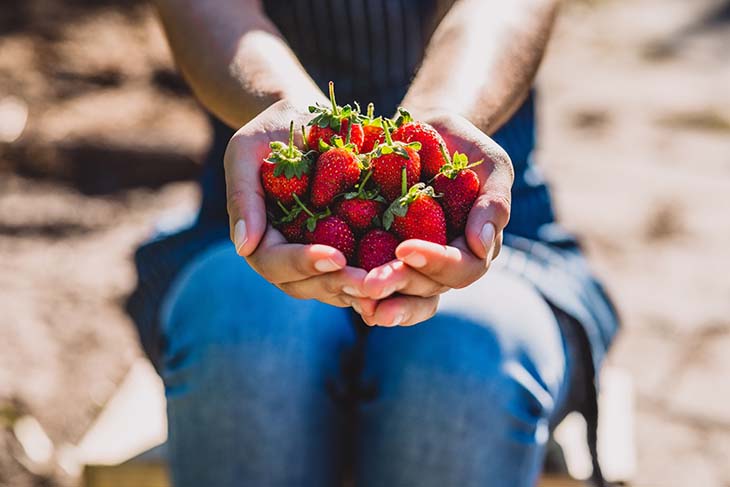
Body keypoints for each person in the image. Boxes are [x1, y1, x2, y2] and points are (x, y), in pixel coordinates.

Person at [126, 1, 619, 486]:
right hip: (264, 206)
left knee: (470, 358)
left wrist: (437, 117)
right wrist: (297, 117)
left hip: (472, 212)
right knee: (244, 335)